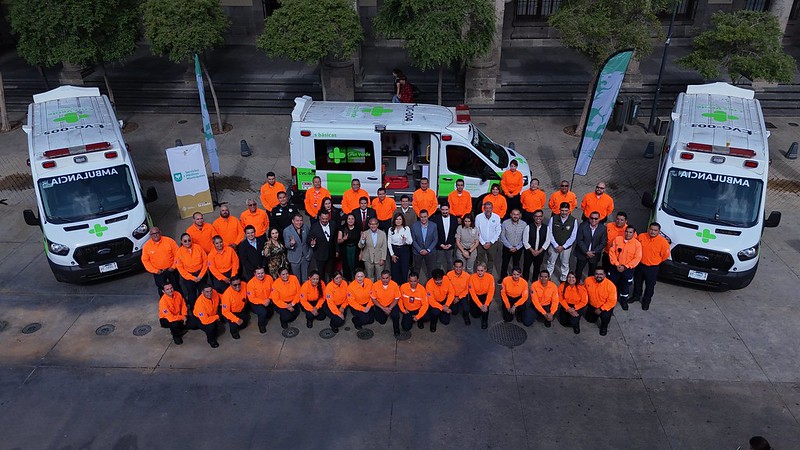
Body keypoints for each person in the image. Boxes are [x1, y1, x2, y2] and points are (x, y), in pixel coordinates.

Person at [631, 222, 670, 311]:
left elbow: (665, 256)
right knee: (637, 282)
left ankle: (646, 302)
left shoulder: (663, 242)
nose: (652, 232)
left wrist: (656, 261)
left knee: (650, 286)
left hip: (652, 268)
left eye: (655, 230)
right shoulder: (641, 236)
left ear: (659, 231)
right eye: (651, 229)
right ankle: (636, 296)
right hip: (640, 265)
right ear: (648, 229)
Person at [608, 225, 642, 310]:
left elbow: (637, 258)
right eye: (626, 231)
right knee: (612, 285)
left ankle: (623, 301)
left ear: (634, 233)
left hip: (628, 270)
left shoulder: (637, 244)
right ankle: (611, 300)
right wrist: (617, 264)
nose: (628, 234)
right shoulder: (617, 239)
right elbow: (612, 252)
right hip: (615, 267)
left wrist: (626, 266)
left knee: (625, 286)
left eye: (630, 232)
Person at [141, 226, 180, 297]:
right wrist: (155, 271)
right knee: (161, 289)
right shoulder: (147, 246)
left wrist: (173, 267)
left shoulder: (169, 241)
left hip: (171, 270)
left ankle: (180, 301)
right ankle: (165, 302)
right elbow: (145, 261)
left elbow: (178, 255)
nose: (155, 235)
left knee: (176, 286)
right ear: (150, 235)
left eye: (157, 233)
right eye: (153, 234)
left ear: (160, 233)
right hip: (159, 273)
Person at [174, 232, 208, 308]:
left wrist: (200, 275)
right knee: (192, 295)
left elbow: (205, 261)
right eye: (185, 241)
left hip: (201, 275)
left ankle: (204, 309)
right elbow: (180, 268)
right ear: (181, 241)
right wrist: (192, 278)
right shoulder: (179, 253)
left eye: (189, 240)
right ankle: (193, 310)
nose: (187, 242)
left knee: (203, 294)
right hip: (188, 277)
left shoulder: (198, 248)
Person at [546, 202, 578, 282]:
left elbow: (573, 236)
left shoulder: (573, 220)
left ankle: (564, 278)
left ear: (569, 210)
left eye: (566, 211)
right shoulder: (553, 219)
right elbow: (549, 233)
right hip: (554, 246)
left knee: (565, 264)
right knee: (550, 262)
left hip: (566, 248)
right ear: (559, 210)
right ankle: (548, 278)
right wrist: (555, 245)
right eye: (562, 210)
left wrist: (564, 246)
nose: (564, 213)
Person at [574, 211, 607, 281]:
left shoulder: (603, 228)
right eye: (592, 218)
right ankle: (576, 285)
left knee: (592, 274)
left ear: (599, 219)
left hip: (594, 255)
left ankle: (589, 285)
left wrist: (593, 252)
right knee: (578, 271)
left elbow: (603, 243)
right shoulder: (583, 226)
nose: (593, 220)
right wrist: (586, 251)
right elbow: (579, 240)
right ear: (589, 218)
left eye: (596, 218)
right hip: (582, 253)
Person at [584, 268, 617, 336]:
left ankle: (604, 326)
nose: (598, 276)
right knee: (589, 319)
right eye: (596, 274)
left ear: (604, 275)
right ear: (594, 274)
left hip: (605, 307)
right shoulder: (588, 280)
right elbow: (583, 291)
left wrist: (601, 309)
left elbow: (612, 302)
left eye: (601, 274)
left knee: (605, 317)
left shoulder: (611, 286)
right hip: (592, 305)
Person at [308, 210, 338, 282]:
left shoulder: (333, 224)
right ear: (319, 218)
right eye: (323, 219)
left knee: (331, 273)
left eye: (326, 219)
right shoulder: (314, 227)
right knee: (321, 274)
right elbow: (309, 239)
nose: (324, 220)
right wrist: (312, 243)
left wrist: (337, 250)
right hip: (320, 254)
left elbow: (335, 239)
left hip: (331, 254)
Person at [522, 209, 551, 282]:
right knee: (526, 267)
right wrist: (532, 251)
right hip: (529, 252)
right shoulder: (528, 227)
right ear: (533, 217)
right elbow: (525, 241)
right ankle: (525, 282)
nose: (538, 218)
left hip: (540, 252)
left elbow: (547, 241)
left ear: (543, 217)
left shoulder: (546, 228)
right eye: (536, 216)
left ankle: (534, 282)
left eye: (540, 216)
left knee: (537, 268)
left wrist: (539, 251)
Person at [371, 270, 402, 336]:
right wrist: (383, 308)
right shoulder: (375, 285)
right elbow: (374, 299)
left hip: (391, 304)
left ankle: (396, 329)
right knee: (381, 321)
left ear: (390, 278)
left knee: (396, 315)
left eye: (387, 278)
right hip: (380, 305)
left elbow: (396, 298)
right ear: (380, 278)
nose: (385, 280)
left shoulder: (395, 285)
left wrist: (389, 308)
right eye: (383, 278)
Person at [410, 209, 438, 282]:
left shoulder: (434, 225)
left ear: (428, 216)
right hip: (417, 252)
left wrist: (428, 250)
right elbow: (413, 240)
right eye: (421, 217)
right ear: (419, 217)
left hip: (430, 252)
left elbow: (435, 240)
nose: (423, 219)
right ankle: (415, 285)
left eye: (425, 217)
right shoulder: (414, 226)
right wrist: (420, 250)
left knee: (431, 269)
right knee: (416, 269)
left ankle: (430, 285)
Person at [476, 201, 502, 278]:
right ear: (483, 208)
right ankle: (480, 274)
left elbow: (498, 231)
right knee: (480, 260)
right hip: (481, 243)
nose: (488, 210)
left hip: (492, 243)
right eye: (486, 208)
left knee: (491, 259)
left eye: (489, 208)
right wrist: (483, 242)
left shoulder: (497, 217)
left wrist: (491, 242)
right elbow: (477, 230)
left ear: (492, 208)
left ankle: (489, 275)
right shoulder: (478, 217)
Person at [284, 213, 312, 282]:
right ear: (293, 221)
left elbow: (308, 240)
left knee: (305, 278)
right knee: (296, 279)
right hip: (294, 258)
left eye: (301, 220)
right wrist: (291, 244)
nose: (299, 222)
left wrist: (309, 253)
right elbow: (286, 245)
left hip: (305, 257)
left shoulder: (305, 227)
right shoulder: (287, 230)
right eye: (297, 221)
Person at [500, 209, 526, 280]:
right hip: (507, 247)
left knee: (516, 264)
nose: (515, 216)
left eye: (517, 214)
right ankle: (503, 278)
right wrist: (510, 246)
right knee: (505, 263)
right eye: (514, 214)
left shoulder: (524, 224)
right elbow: (502, 236)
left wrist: (517, 247)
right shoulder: (505, 223)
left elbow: (524, 237)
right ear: (511, 215)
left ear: (520, 215)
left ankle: (515, 278)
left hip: (518, 248)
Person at [468, 262, 496, 329]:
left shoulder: (490, 277)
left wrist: (486, 304)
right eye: (478, 270)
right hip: (476, 296)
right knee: (475, 315)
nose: (479, 272)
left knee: (485, 310)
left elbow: (491, 292)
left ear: (485, 270)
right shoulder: (471, 277)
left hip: (485, 296)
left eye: (481, 270)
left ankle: (484, 321)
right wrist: (480, 305)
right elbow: (472, 293)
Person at [246, 267, 273, 333]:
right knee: (262, 313)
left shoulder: (269, 278)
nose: (261, 275)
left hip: (268, 299)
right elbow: (251, 298)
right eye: (258, 273)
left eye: (262, 273)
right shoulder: (250, 284)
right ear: (254, 274)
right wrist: (263, 302)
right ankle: (261, 325)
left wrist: (269, 298)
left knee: (270, 314)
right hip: (257, 302)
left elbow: (273, 290)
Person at [388, 213, 413, 284]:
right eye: (397, 219)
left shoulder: (406, 228)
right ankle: (396, 286)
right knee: (395, 270)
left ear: (402, 220)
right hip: (394, 250)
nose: (398, 221)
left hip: (404, 250)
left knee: (404, 269)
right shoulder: (391, 229)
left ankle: (403, 286)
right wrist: (392, 254)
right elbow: (389, 243)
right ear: (394, 220)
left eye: (400, 219)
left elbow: (410, 242)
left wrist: (405, 239)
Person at [432, 204, 457, 271]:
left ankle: (449, 276)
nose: (445, 211)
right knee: (438, 262)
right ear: (440, 210)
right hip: (439, 245)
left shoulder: (454, 219)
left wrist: (451, 244)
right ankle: (438, 276)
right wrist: (440, 244)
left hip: (450, 246)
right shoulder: (436, 219)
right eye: (443, 210)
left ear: (449, 209)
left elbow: (455, 233)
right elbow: (434, 234)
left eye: (446, 209)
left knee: (450, 262)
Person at [447, 259, 472, 325]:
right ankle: (457, 305)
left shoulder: (467, 276)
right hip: (453, 295)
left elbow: (467, 289)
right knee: (454, 312)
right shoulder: (449, 275)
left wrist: (459, 298)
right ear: (453, 267)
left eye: (460, 267)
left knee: (467, 309)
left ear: (462, 267)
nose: (458, 269)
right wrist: (453, 297)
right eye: (456, 267)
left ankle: (466, 316)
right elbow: (448, 287)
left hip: (463, 295)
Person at [338, 214, 361, 280]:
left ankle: (356, 280)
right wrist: (343, 239)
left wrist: (361, 253)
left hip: (356, 249)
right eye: (349, 219)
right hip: (346, 249)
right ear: (346, 220)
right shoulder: (342, 228)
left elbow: (361, 242)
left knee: (355, 265)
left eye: (352, 219)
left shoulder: (358, 228)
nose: (350, 220)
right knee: (347, 266)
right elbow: (338, 241)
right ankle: (348, 281)